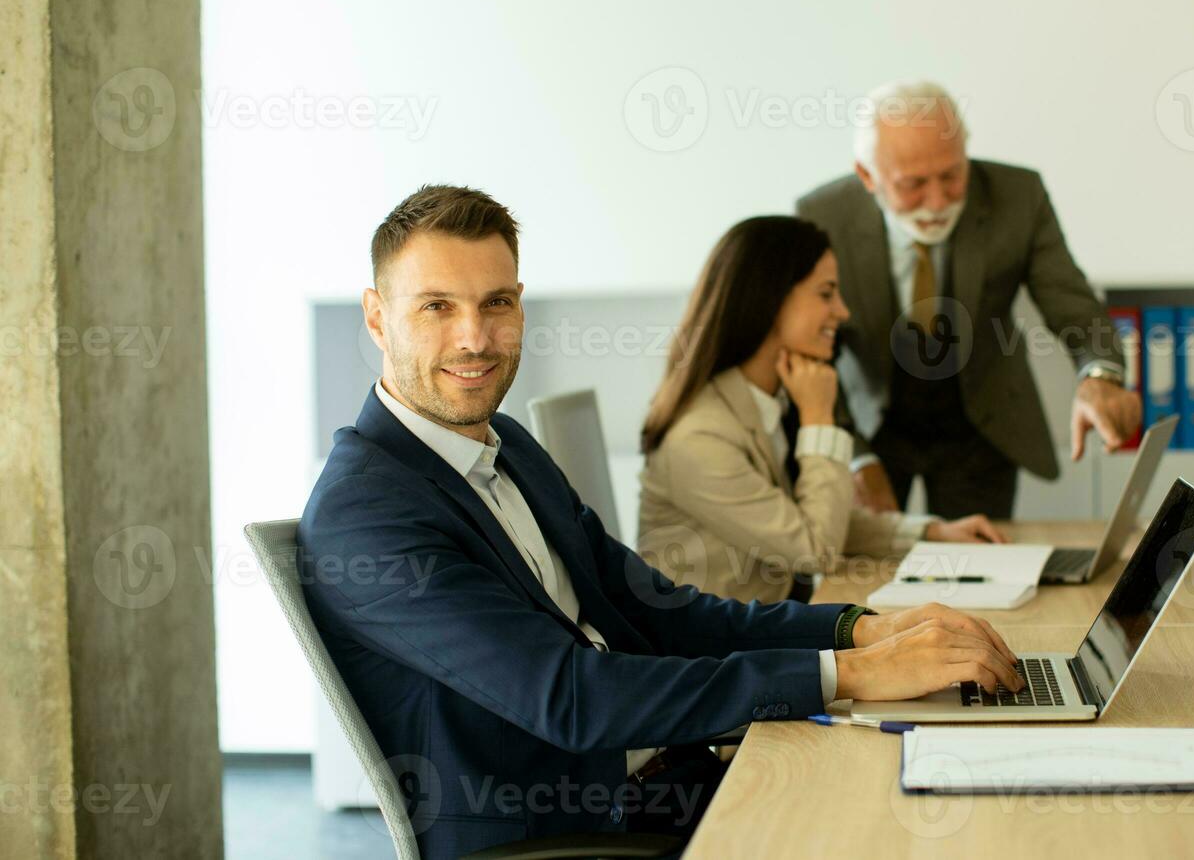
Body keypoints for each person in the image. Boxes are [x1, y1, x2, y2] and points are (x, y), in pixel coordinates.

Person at [298, 185, 1024, 860]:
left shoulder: (505, 445)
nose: (475, 339)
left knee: (939, 794)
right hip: (565, 834)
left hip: (656, 784)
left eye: (496, 304)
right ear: (376, 315)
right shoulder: (369, 510)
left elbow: (668, 614)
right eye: (436, 308)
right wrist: (854, 674)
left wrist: (860, 629)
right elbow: (573, 698)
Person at [796, 80, 1142, 520]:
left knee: (979, 573)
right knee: (866, 570)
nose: (938, 201)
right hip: (871, 425)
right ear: (868, 176)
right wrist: (854, 456)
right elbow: (812, 349)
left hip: (979, 428)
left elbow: (1071, 303)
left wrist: (1100, 374)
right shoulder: (822, 217)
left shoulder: (1019, 196)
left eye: (952, 175)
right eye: (913, 184)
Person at [639, 216, 1005, 605]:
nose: (843, 311)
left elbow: (810, 519)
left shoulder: (761, 403)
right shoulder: (700, 436)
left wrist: (930, 532)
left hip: (759, 631)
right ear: (771, 298)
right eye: (826, 293)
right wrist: (818, 417)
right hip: (713, 657)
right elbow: (815, 548)